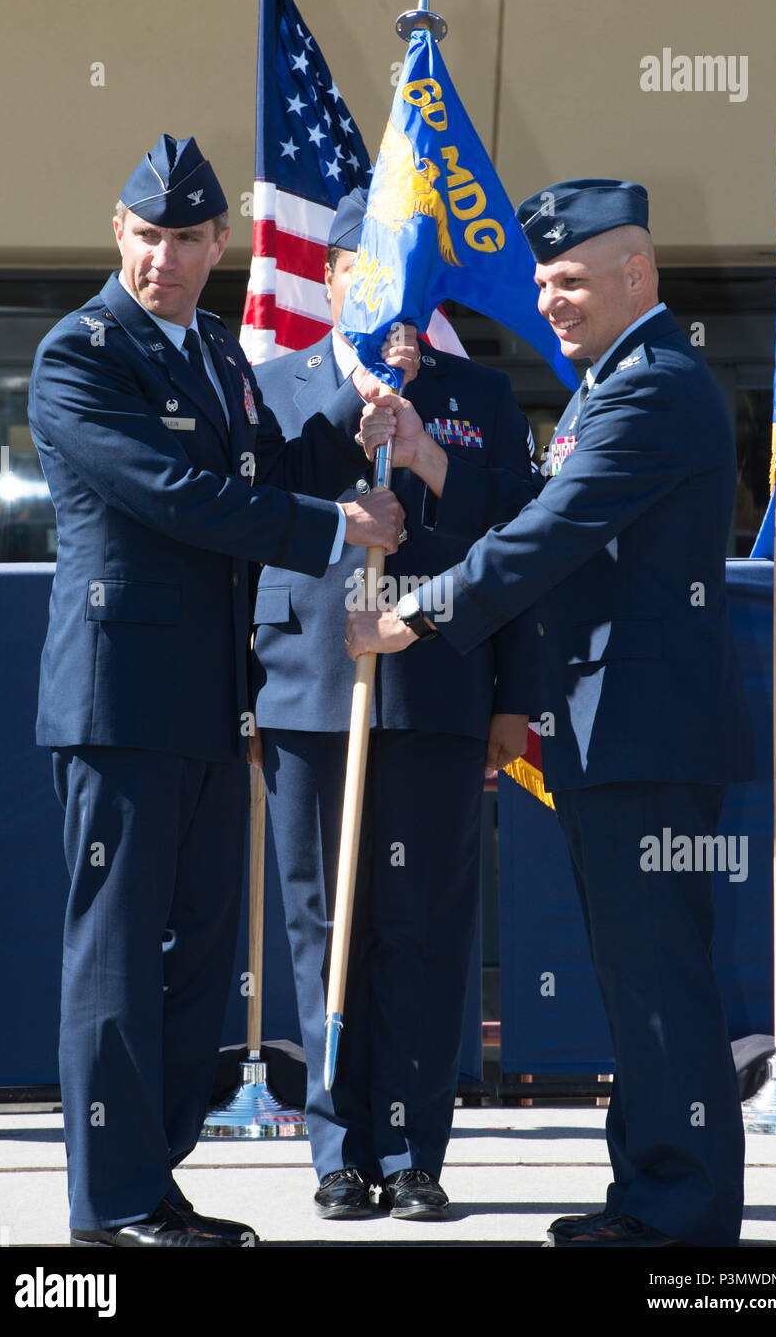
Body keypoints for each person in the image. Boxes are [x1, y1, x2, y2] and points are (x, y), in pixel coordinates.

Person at [348, 178, 755, 1248]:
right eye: (540, 278)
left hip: (644, 733)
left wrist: (419, 617)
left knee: (658, 971)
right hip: (614, 729)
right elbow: (543, 522)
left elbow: (548, 535)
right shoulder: (612, 382)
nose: (549, 297)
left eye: (569, 278)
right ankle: (651, 1193)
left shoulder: (652, 386)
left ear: (638, 276)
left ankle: (684, 1211)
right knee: (638, 972)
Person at [28, 135, 405, 1248]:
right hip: (117, 702)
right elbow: (176, 495)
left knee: (197, 960)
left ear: (219, 243)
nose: (164, 259)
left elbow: (262, 473)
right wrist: (333, 522)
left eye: (188, 238)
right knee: (116, 955)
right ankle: (108, 1204)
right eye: (148, 236)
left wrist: (350, 422)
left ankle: (154, 1176)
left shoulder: (220, 356)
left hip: (206, 702)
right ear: (118, 231)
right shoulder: (79, 353)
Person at [249, 188, 536, 1220]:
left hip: (437, 692)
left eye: (411, 281)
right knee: (323, 925)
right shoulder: (272, 384)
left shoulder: (482, 397)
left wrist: (428, 458)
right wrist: (351, 419)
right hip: (308, 693)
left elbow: (520, 539)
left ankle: (415, 1146)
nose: (393, 302)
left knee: (424, 926)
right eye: (367, 276)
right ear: (327, 278)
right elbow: (250, 514)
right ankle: (337, 1148)